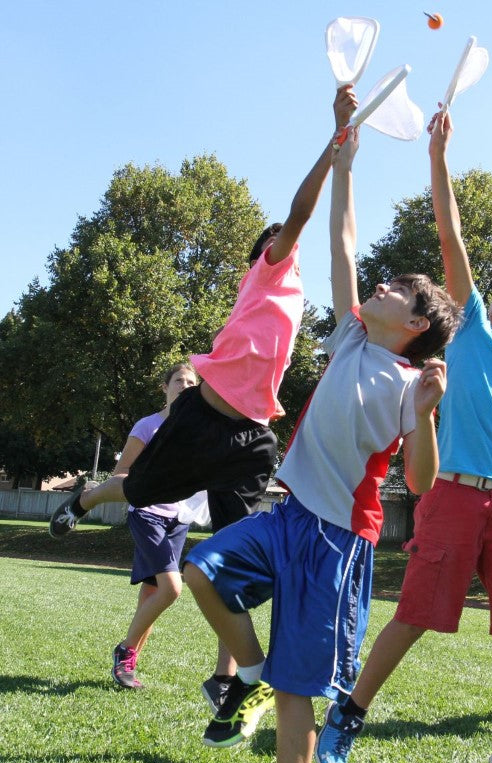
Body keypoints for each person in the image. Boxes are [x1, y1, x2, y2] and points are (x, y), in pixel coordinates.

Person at [49, 84, 358, 720]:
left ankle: (230, 681)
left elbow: (334, 235)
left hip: (249, 439)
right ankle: (82, 497)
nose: (289, 240)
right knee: (134, 489)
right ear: (265, 253)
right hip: (201, 421)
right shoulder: (269, 271)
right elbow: (300, 215)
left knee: (237, 555)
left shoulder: (298, 295)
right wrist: (332, 145)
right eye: (280, 237)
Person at [183, 124, 460, 763]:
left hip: (337, 543)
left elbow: (421, 482)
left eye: (397, 287)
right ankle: (247, 671)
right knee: (200, 570)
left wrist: (423, 416)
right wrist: (346, 162)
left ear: (416, 324)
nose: (381, 286)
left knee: (299, 690)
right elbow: (342, 241)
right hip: (288, 516)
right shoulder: (350, 337)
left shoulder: (407, 385)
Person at [314, 110, 492, 763]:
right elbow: (450, 234)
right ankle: (349, 712)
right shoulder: (469, 333)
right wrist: (439, 156)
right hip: (453, 493)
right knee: (417, 613)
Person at [110, 362, 205, 689]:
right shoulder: (147, 426)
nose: (184, 384)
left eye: (191, 381)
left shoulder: (195, 432)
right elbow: (120, 474)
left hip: (177, 520)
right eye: (178, 380)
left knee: (152, 594)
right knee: (172, 588)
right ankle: (124, 651)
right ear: (165, 388)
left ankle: (128, 665)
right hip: (147, 514)